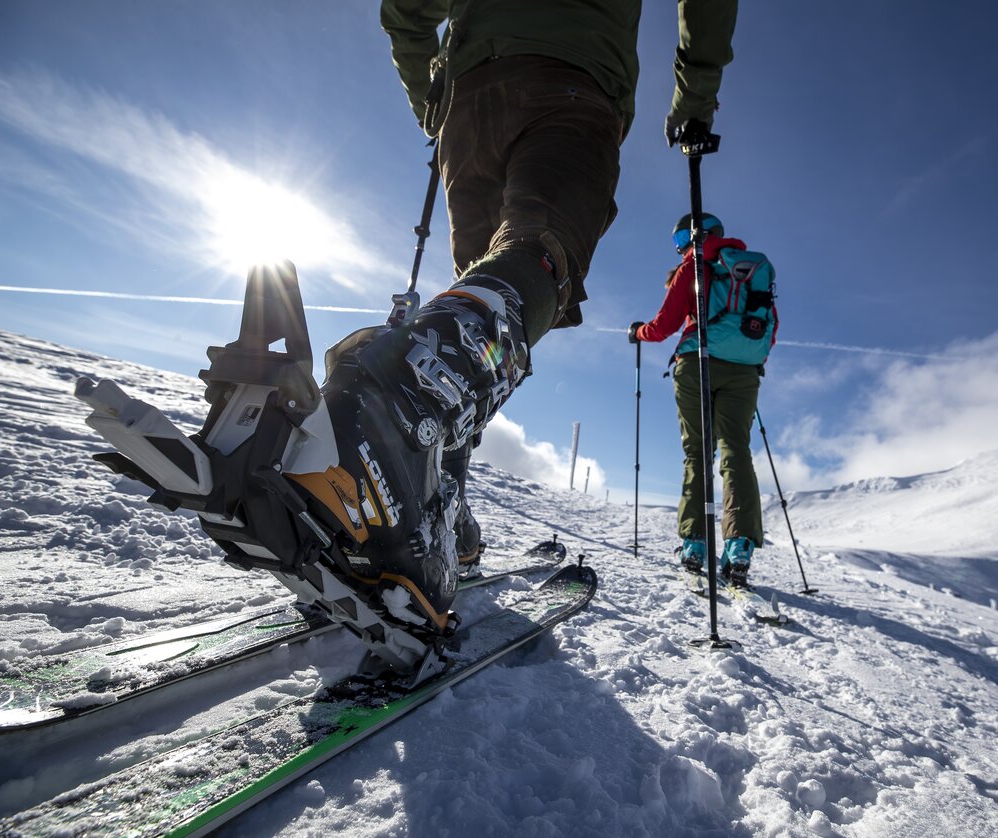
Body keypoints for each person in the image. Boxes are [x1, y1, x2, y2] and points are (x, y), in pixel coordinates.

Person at [275, 1, 739, 652]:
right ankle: (393, 408)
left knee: (482, 302)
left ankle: (436, 514)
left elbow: (404, 11)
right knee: (532, 260)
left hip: (470, 105)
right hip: (575, 86)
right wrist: (695, 99)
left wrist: (435, 108)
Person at [628, 213, 777, 587]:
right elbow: (769, 329)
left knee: (698, 451)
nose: (679, 246)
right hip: (744, 369)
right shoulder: (749, 269)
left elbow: (663, 327)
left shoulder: (692, 266)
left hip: (696, 362)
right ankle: (739, 546)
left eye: (681, 237)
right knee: (736, 451)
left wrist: (637, 333)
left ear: (693, 236)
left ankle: (694, 544)